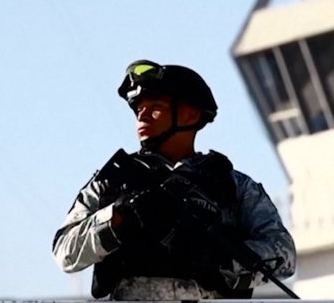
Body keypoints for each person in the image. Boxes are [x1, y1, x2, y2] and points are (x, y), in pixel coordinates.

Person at [52, 60, 297, 300]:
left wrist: (219, 259)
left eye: (155, 107)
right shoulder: (113, 181)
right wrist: (117, 218)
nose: (142, 115)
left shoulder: (234, 186)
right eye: (139, 109)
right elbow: (64, 252)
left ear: (190, 114)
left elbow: (284, 255)